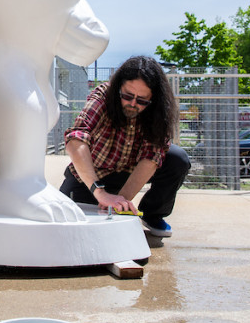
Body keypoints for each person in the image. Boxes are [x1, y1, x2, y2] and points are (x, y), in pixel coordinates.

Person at [59, 55, 190, 238]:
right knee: (68, 226)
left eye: (142, 100)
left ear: (153, 99)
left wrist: (122, 202)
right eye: (127, 96)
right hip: (92, 177)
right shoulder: (103, 95)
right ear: (118, 87)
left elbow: (151, 157)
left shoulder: (158, 112)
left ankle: (153, 213)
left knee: (177, 159)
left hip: (129, 174)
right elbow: (76, 139)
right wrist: (100, 193)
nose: (133, 104)